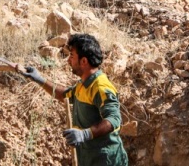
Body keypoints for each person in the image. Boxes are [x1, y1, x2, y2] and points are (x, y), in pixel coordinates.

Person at [23, 34, 129, 166]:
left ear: (84, 61)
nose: (68, 61)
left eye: (72, 56)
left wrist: (85, 134)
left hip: (107, 159)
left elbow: (114, 119)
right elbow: (64, 94)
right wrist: (38, 79)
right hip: (89, 158)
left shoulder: (101, 87)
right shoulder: (83, 84)